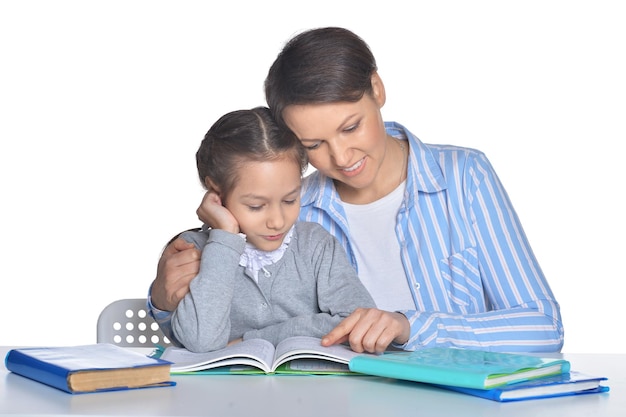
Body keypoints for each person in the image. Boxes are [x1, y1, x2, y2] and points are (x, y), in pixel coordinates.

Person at [149, 27, 564, 354]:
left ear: (377, 90)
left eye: (350, 127)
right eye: (313, 146)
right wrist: (163, 300)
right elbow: (216, 331)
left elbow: (543, 327)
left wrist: (408, 326)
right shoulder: (293, 212)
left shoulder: (463, 176)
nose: (342, 156)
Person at [164, 106, 376, 352]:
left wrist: (249, 340)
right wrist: (224, 236)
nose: (277, 221)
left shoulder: (315, 244)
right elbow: (201, 341)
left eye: (290, 200)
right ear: (217, 195)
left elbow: (359, 321)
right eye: (256, 206)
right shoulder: (194, 252)